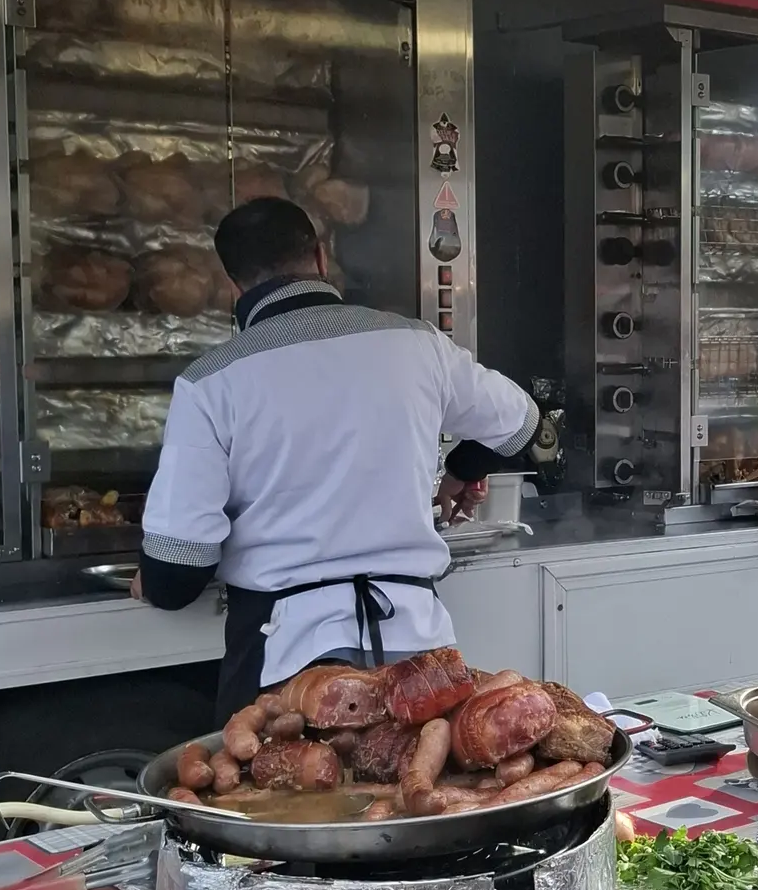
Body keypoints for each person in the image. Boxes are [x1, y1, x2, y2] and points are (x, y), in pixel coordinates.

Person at [133, 196, 546, 719]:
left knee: (281, 796)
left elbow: (177, 573)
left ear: (232, 285)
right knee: (412, 796)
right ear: (322, 259)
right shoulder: (416, 344)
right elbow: (521, 423)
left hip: (283, 667)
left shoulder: (211, 380)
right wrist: (462, 471)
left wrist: (153, 577)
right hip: (419, 655)